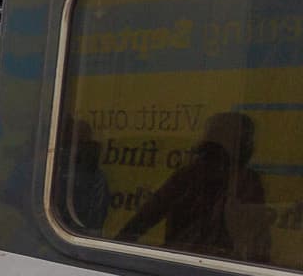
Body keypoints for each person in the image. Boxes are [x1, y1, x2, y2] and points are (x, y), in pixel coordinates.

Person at [115, 110, 270, 262]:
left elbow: (258, 244)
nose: (209, 163)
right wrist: (118, 249)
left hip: (222, 270)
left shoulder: (247, 183)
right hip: (179, 263)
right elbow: (147, 215)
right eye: (210, 153)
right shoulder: (189, 176)